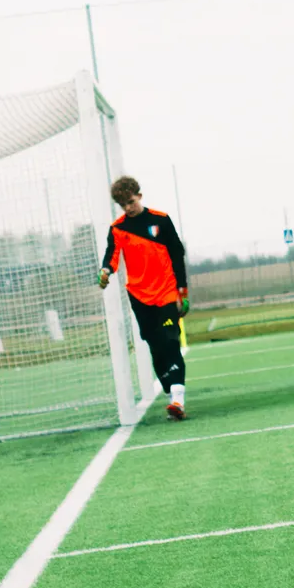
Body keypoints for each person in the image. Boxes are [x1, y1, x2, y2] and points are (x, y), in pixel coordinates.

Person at [99, 176, 191, 421]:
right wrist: (106, 270)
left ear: (139, 195)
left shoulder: (161, 220)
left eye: (130, 201)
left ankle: (178, 398)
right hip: (140, 297)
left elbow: (177, 253)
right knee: (156, 347)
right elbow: (112, 255)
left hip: (167, 294)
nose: (128, 208)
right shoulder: (118, 228)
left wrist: (183, 291)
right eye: (123, 205)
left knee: (171, 341)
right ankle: (170, 392)